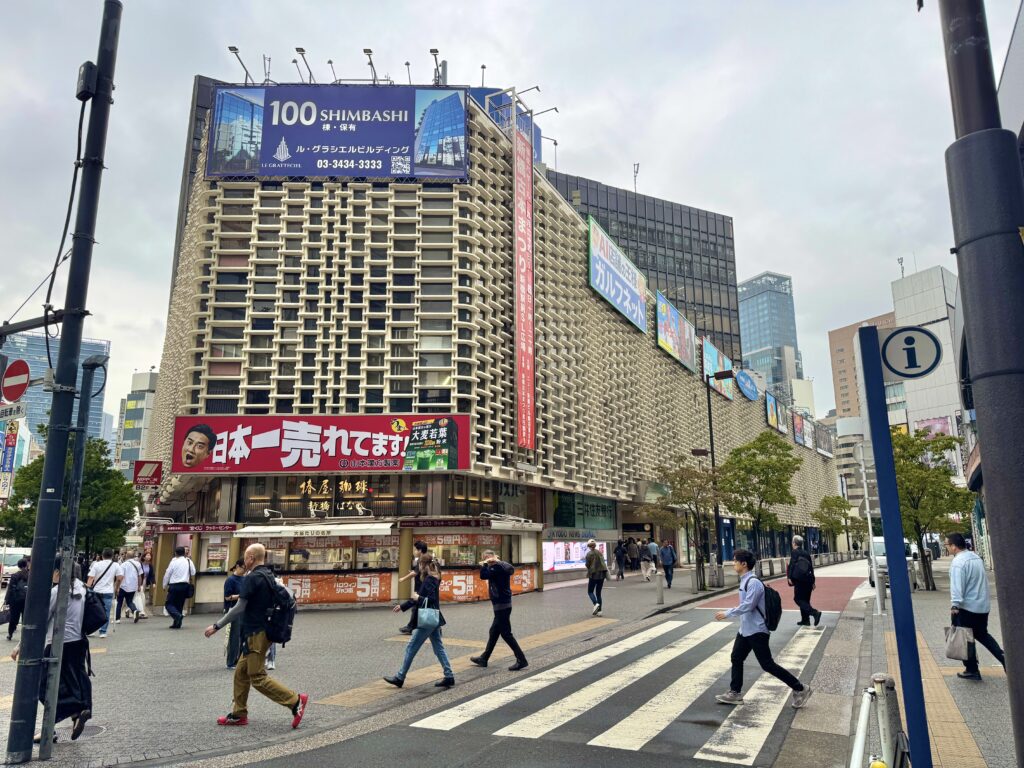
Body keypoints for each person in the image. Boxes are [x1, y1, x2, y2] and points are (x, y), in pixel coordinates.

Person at [204, 544, 308, 728]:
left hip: (255, 632)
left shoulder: (252, 578)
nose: (244, 561)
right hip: (264, 630)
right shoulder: (268, 574)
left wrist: (216, 625)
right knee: (241, 673)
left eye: (245, 557)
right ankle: (238, 714)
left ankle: (295, 701)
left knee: (257, 676)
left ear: (251, 557)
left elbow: (239, 607)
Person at [714, 549, 812, 708]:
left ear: (744, 564)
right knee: (736, 657)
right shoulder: (745, 580)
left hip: (757, 631)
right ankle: (735, 692)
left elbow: (748, 606)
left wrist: (727, 613)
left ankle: (801, 688)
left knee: (767, 665)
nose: (733, 563)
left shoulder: (753, 583)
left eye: (735, 561)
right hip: (746, 630)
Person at [11, 558, 92, 742]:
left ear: (58, 571)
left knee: (43, 687)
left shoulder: (58, 592)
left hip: (57, 645)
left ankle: (69, 714)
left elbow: (39, 622)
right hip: (78, 644)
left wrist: (19, 646)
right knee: (67, 684)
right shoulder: (82, 588)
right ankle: (68, 718)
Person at [384, 553, 454, 689]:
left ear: (423, 565)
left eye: (419, 564)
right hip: (434, 617)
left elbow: (428, 599)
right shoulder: (435, 577)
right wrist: (406, 605)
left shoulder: (429, 579)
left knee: (411, 647)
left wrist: (416, 598)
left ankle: (400, 677)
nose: (419, 567)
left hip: (426, 619)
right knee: (438, 647)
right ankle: (449, 675)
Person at [946, 532, 1005, 680]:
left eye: (947, 545)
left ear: (953, 546)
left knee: (965, 638)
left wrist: (955, 605)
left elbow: (957, 586)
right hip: (981, 606)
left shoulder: (958, 563)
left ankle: (972, 669)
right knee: (982, 635)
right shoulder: (975, 557)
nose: (947, 548)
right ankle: (1004, 658)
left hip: (966, 607)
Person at [471, 550, 528, 671]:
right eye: (485, 559)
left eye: (487, 558)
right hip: (502, 604)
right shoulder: (499, 566)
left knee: (506, 634)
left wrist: (486, 564)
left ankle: (521, 659)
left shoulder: (497, 567)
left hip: (502, 604)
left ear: (492, 557)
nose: (486, 560)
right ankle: (484, 658)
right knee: (494, 631)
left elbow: (483, 575)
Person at [86, 548, 122, 638]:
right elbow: (120, 577)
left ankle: (92, 630)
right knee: (106, 612)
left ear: (102, 555)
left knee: (94, 611)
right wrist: (116, 587)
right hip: (108, 592)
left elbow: (91, 578)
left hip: (97, 591)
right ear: (112, 556)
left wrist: (87, 589)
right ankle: (103, 631)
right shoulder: (116, 565)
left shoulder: (97, 564)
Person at [397, 540, 430, 635]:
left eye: (415, 549)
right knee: (419, 607)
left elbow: (415, 573)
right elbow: (417, 572)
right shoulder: (426, 558)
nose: (414, 551)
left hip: (422, 587)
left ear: (420, 550)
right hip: (424, 586)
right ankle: (411, 627)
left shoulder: (422, 559)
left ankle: (411, 627)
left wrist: (403, 578)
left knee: (419, 606)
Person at [788, 535, 821, 627]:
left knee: (798, 599)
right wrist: (813, 581)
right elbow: (811, 567)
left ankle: (815, 613)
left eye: (792, 542)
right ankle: (805, 620)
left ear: (794, 543)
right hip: (808, 579)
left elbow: (792, 564)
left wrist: (789, 577)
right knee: (805, 600)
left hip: (800, 580)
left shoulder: (794, 552)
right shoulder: (806, 553)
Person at [162, 546, 196, 629]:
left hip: (174, 585)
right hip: (184, 585)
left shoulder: (173, 562)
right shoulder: (188, 561)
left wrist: (164, 584)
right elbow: (193, 572)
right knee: (179, 604)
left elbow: (168, 574)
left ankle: (177, 616)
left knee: (168, 604)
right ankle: (177, 623)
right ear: (184, 553)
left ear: (175, 553)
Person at [223, 558, 246, 670]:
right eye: (243, 568)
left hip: (244, 610)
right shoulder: (230, 580)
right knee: (234, 636)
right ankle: (231, 662)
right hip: (233, 609)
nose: (245, 570)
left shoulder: (245, 579)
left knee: (243, 636)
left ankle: (240, 660)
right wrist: (241, 595)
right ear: (238, 566)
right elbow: (227, 597)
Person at [116, 550, 145, 624]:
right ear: (133, 556)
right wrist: (139, 586)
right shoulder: (138, 564)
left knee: (119, 602)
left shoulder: (123, 565)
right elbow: (140, 576)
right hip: (133, 587)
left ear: (127, 556)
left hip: (123, 586)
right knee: (129, 601)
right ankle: (134, 610)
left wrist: (117, 587)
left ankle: (117, 619)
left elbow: (120, 577)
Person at [4, 559, 29, 641]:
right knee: (25, 618)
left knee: (13, 617)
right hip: (26, 600)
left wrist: (6, 600)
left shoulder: (15, 575)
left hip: (15, 600)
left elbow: (10, 589)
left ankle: (10, 634)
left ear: (18, 566)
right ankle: (25, 636)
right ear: (26, 565)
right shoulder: (30, 575)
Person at [584, 540, 608, 616]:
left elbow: (587, 565)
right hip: (602, 575)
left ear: (589, 546)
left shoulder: (589, 554)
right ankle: (600, 611)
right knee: (598, 593)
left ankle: (596, 604)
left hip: (593, 575)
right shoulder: (599, 552)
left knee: (590, 591)